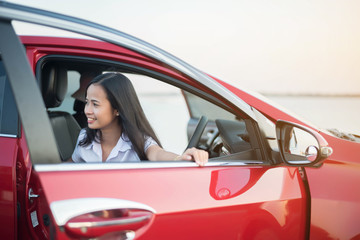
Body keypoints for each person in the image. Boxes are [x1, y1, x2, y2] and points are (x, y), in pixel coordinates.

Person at [70, 72, 208, 166]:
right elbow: (69, 166)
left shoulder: (139, 141)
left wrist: (182, 158)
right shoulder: (84, 137)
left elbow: (158, 154)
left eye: (95, 104)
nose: (87, 110)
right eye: (87, 102)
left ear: (117, 108)